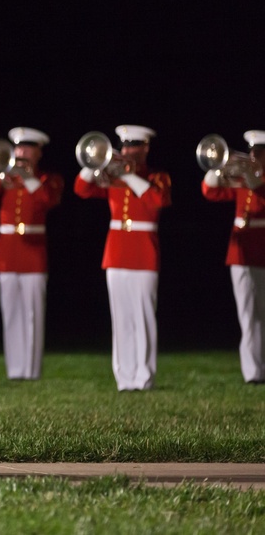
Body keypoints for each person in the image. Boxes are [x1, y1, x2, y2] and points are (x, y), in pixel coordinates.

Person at [74, 124, 171, 391]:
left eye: (134, 146)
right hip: (116, 252)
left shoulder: (158, 176)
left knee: (143, 316)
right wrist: (95, 163)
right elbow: (81, 188)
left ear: (146, 148)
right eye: (125, 146)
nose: (127, 150)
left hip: (144, 252)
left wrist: (128, 176)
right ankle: (124, 378)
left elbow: (158, 200)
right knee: (121, 318)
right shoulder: (111, 176)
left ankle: (144, 376)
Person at [0, 127, 64, 380]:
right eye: (18, 148)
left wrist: (27, 176)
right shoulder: (7, 178)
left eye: (27, 148)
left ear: (38, 152)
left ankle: (31, 370)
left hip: (34, 253)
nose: (21, 152)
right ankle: (15, 370)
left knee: (33, 313)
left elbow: (48, 199)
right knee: (11, 313)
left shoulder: (47, 179)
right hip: (6, 252)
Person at [201, 130, 265, 383]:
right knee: (248, 314)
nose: (253, 157)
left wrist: (252, 178)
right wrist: (218, 167)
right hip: (240, 252)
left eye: (259, 153)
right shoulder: (242, 178)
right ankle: (253, 372)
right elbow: (209, 191)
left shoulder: (253, 179)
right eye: (252, 152)